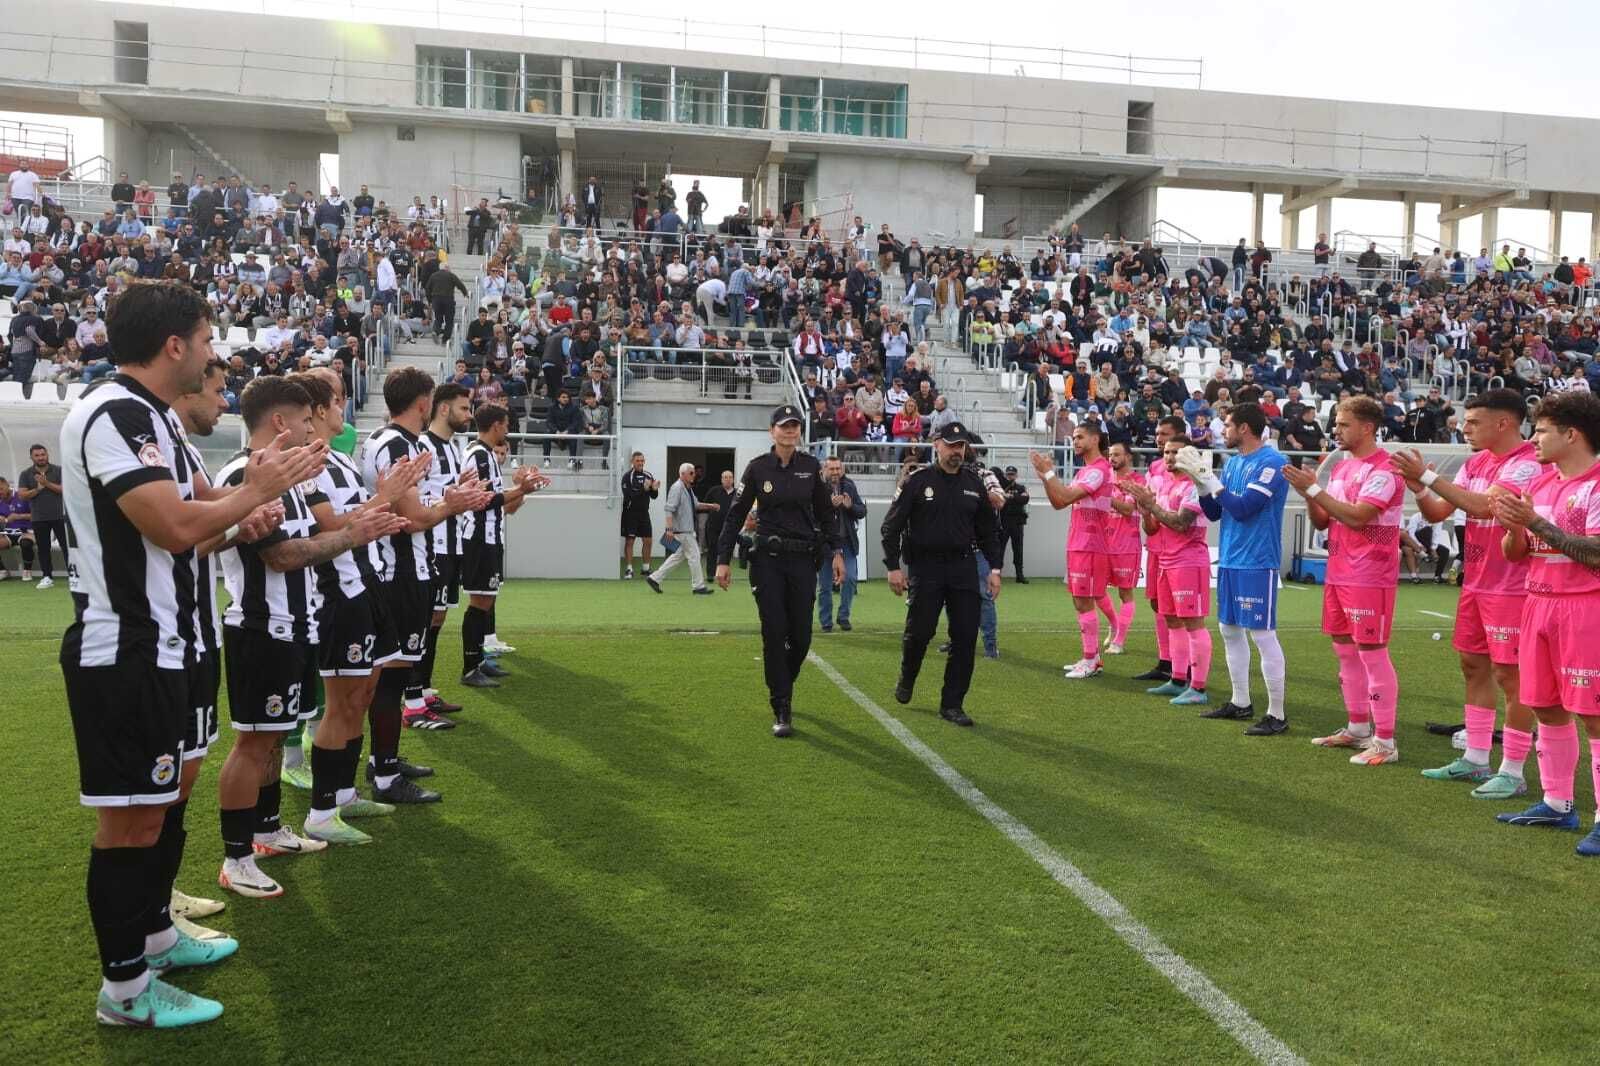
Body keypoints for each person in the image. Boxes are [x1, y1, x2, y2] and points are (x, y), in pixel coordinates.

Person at [61, 280, 323, 1028]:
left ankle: (155, 937)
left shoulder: (161, 424)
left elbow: (207, 523)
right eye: (208, 342)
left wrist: (249, 511)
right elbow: (178, 525)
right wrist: (255, 491)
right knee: (130, 824)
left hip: (175, 644)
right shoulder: (112, 412)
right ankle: (125, 994)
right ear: (174, 345)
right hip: (128, 650)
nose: (213, 356)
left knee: (163, 803)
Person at [213, 376, 407, 898]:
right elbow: (279, 555)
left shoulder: (293, 478)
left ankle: (269, 828)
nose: (310, 427)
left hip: (297, 624)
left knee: (272, 737)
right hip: (261, 628)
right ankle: (236, 858)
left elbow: (312, 539)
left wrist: (351, 528)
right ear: (279, 421)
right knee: (252, 742)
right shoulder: (241, 474)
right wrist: (351, 535)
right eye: (303, 419)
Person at [1395, 389, 1544, 794]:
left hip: (1512, 586)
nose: (1465, 428)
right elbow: (1438, 512)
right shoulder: (1477, 461)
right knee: (1473, 667)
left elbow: (1483, 507)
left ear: (1504, 423)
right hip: (1477, 581)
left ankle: (1513, 770)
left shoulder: (1527, 463)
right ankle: (1476, 758)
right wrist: (1420, 488)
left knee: (1511, 678)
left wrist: (1427, 477)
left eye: (1474, 422)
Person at [361, 367, 494, 803]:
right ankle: (382, 774)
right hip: (399, 571)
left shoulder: (394, 441)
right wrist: (451, 504)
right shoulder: (397, 443)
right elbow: (414, 518)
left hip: (405, 567)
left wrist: (447, 500)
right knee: (393, 673)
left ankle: (385, 760)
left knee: (395, 673)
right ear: (424, 403)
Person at [1490, 392, 1600, 853]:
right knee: (1546, 706)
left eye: (1542, 430)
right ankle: (1557, 803)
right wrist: (1516, 528)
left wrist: (1536, 521)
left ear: (1571, 434)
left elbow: (1596, 554)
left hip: (1585, 606)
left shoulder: (1596, 484)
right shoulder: (1543, 484)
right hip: (1538, 603)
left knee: (1594, 714)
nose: (1534, 439)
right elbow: (1517, 555)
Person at [1283, 396, 1405, 766]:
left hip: (1371, 573)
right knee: (1344, 649)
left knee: (1371, 652)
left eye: (1342, 424)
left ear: (1367, 428)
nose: (1335, 430)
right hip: (1339, 569)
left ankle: (1385, 741)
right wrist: (1309, 492)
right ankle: (1357, 728)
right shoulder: (1340, 468)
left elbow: (1358, 517)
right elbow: (1325, 521)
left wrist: (1315, 490)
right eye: (1335, 423)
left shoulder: (1385, 469)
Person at [715, 405, 846, 737]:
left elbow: (827, 515)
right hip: (768, 562)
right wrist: (722, 559)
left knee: (801, 636)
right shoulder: (758, 469)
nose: (790, 431)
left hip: (804, 561)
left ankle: (782, 681)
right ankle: (782, 705)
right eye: (784, 426)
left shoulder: (810, 467)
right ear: (772, 430)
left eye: (795, 426)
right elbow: (735, 515)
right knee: (774, 632)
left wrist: (837, 553)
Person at [1172, 402, 1292, 735]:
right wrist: (1200, 483)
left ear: (1243, 428)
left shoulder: (1273, 462)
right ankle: (1240, 702)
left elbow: (1243, 508)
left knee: (1263, 635)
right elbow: (1213, 512)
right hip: (1229, 559)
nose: (1222, 431)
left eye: (1227, 425)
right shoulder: (1236, 462)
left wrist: (1210, 478)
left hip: (1257, 560)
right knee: (1229, 630)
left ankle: (1277, 714)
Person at [881, 421, 1003, 727]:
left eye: (960, 446)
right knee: (920, 633)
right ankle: (907, 677)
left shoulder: (974, 484)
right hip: (926, 567)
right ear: (937, 445)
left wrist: (995, 568)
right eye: (950, 445)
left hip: (964, 567)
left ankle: (952, 704)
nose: (956, 451)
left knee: (964, 637)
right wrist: (893, 567)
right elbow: (891, 526)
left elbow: (989, 531)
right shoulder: (918, 481)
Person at [459, 404, 549, 687]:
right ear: (496, 425)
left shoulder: (485, 455)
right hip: (479, 539)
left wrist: (522, 487)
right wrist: (521, 488)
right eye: (506, 424)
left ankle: (479, 661)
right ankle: (470, 667)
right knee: (479, 602)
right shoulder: (479, 455)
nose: (508, 429)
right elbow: (486, 500)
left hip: (489, 538)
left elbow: (502, 503)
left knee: (486, 600)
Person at [1122, 436, 1213, 707]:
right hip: (1165, 560)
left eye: (1175, 452)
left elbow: (1181, 524)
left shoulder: (1196, 487)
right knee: (1172, 620)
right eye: (1166, 452)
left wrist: (1151, 506)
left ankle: (1198, 687)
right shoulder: (1165, 486)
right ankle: (1176, 680)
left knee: (1193, 624)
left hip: (1188, 561)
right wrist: (1145, 510)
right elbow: (1152, 529)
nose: (1169, 457)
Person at [403, 383, 475, 726]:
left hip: (451, 544)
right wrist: (451, 498)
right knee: (425, 619)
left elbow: (448, 493)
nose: (469, 414)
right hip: (429, 546)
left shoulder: (454, 448)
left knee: (437, 618)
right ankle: (412, 699)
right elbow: (412, 500)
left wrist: (464, 491)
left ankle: (424, 690)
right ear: (443, 409)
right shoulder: (421, 446)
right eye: (463, 408)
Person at [1031, 423, 1114, 679]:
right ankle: (1092, 658)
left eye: (1080, 437)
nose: (1075, 441)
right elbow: (1058, 502)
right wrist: (1045, 478)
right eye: (1074, 437)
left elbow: (1065, 496)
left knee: (1084, 601)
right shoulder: (1085, 471)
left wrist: (1049, 474)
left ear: (1095, 438)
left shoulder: (1098, 470)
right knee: (1080, 601)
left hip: (1090, 545)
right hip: (1079, 543)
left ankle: (1091, 660)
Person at [647, 463, 718, 595]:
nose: (694, 475)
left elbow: (696, 504)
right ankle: (698, 586)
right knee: (695, 556)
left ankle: (654, 578)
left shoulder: (687, 488)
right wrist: (668, 529)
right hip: (683, 531)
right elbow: (669, 509)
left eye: (693, 473)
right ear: (682, 474)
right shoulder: (677, 488)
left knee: (677, 556)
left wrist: (710, 506)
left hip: (685, 531)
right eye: (691, 473)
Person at [1102, 442, 1144, 654]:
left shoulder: (1137, 480)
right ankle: (1114, 623)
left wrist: (1105, 494)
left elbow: (1128, 509)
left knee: (1125, 594)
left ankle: (1119, 640)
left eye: (1117, 454)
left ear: (1128, 456)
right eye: (1110, 455)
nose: (1112, 458)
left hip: (1126, 545)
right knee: (1097, 591)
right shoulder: (1106, 478)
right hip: (1103, 544)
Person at [817, 456, 865, 633]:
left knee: (851, 579)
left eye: (838, 468)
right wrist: (828, 506)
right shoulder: (817, 488)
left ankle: (843, 616)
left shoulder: (850, 486)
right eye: (832, 469)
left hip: (847, 543)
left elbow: (862, 511)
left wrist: (850, 506)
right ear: (824, 470)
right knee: (825, 585)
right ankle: (826, 621)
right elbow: (810, 515)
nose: (836, 472)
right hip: (825, 544)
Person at [18, 443, 66, 588]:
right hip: (39, 517)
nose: (41, 458)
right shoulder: (26, 474)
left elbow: (65, 489)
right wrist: (38, 489)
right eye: (37, 455)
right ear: (31, 457)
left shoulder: (58, 470)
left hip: (59, 516)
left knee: (66, 547)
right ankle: (47, 577)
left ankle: (74, 575)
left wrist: (46, 483)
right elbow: (22, 495)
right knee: (43, 549)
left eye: (43, 454)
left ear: (47, 455)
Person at [619, 451, 659, 578]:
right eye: (638, 461)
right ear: (632, 462)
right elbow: (629, 496)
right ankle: (629, 569)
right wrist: (644, 489)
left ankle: (646, 569)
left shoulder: (648, 475)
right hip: (630, 513)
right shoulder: (627, 477)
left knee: (648, 541)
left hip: (644, 514)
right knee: (630, 540)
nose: (640, 463)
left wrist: (654, 489)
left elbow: (654, 496)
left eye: (642, 461)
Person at [997, 465, 1029, 583]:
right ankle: (997, 574)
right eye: (1008, 474)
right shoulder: (1001, 487)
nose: (1010, 476)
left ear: (1016, 475)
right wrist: (1016, 498)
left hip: (1017, 523)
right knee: (1000, 550)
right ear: (1005, 475)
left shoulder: (1021, 487)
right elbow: (1000, 500)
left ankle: (1019, 575)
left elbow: (1025, 500)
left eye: (1012, 474)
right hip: (1004, 523)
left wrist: (1010, 497)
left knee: (1018, 550)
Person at [0, 475, 35, 579]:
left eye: (1, 488)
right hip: (8, 533)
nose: (0, 492)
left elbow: (37, 515)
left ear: (7, 485)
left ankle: (27, 571)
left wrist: (19, 516)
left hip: (27, 531)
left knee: (26, 543)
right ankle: (2, 571)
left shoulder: (21, 495)